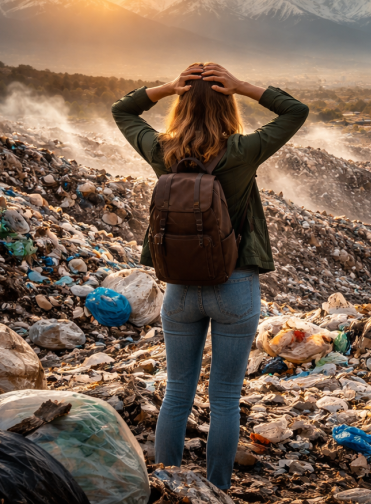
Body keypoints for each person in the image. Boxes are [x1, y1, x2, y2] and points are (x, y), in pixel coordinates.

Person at [112, 63, 308, 489]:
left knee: (176, 396)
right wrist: (243, 86)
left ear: (180, 105)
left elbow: (122, 111)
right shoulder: (241, 151)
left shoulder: (161, 150)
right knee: (223, 399)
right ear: (228, 105)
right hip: (234, 287)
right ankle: (216, 492)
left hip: (180, 290)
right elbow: (295, 111)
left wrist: (166, 87)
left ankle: (167, 486)